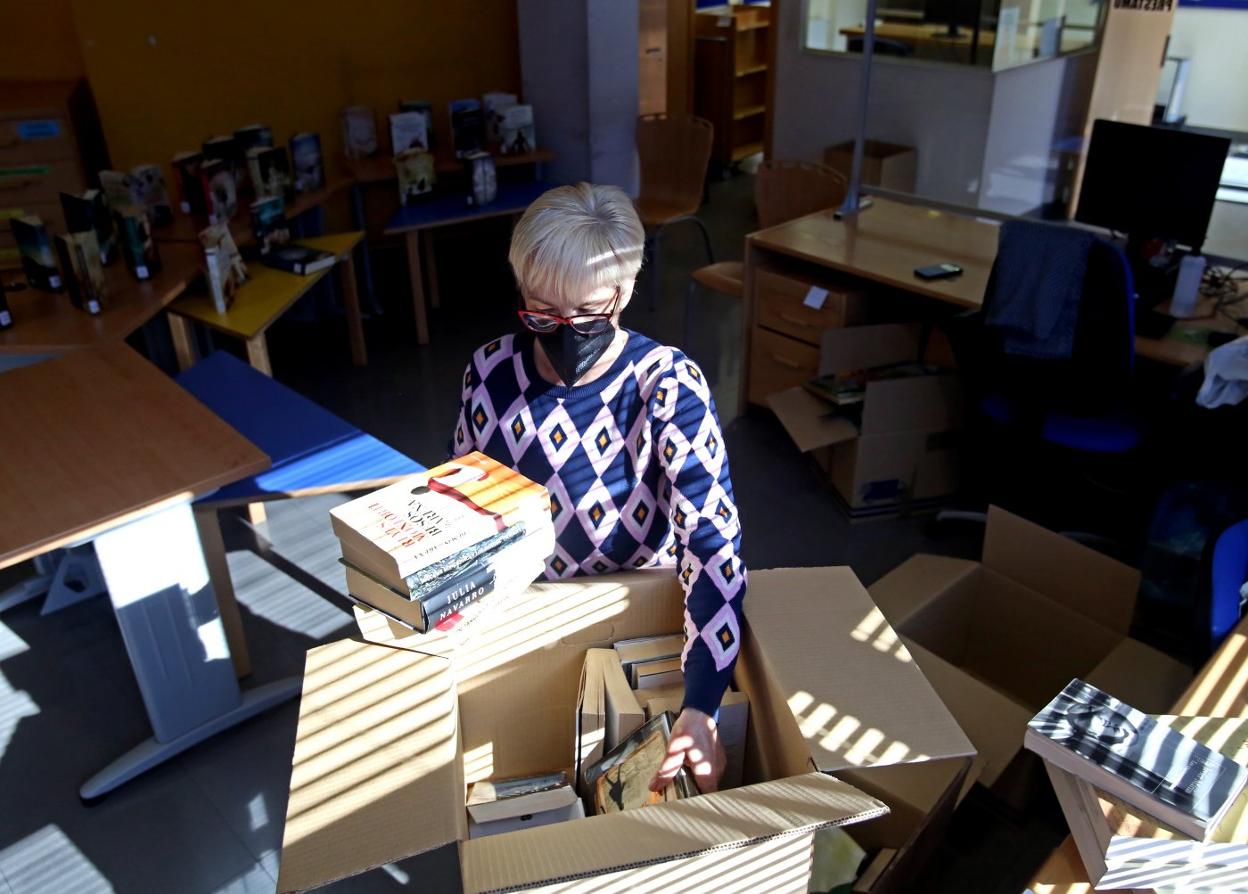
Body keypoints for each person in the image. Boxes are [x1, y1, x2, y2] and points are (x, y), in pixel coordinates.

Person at [450, 182, 746, 794]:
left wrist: (702, 701)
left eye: (587, 313)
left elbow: (710, 543)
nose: (564, 334)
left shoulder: (666, 385)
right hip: (527, 620)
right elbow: (466, 512)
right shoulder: (490, 372)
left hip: (633, 620)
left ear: (626, 290)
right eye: (541, 313)